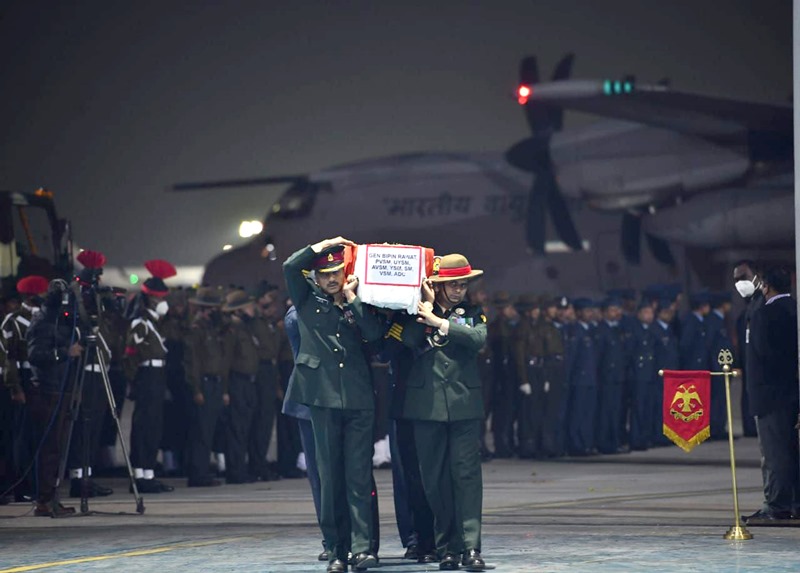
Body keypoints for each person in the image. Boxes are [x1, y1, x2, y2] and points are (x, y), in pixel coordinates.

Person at [283, 237, 386, 573]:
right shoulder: (306, 301)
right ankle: (337, 550)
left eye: (336, 272)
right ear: (315, 276)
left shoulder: (360, 303)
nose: (331, 278)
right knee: (330, 478)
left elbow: (374, 335)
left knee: (358, 476)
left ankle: (362, 548)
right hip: (324, 399)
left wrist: (353, 300)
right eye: (325, 273)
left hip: (358, 398)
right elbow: (289, 266)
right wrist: (324, 244)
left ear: (346, 272)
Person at [394, 253, 487, 571]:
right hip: (427, 407)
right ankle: (447, 547)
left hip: (463, 405)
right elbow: (407, 339)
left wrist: (441, 323)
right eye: (453, 284)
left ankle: (470, 546)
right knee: (434, 479)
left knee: (467, 477)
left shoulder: (471, 313)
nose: (459, 290)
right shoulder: (417, 312)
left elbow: (478, 338)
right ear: (438, 286)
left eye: (463, 284)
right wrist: (428, 308)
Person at [744, 266, 799, 522]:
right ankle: (794, 502)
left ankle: (776, 505)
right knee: (791, 451)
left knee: (774, 454)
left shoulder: (764, 314)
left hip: (769, 395)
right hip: (791, 392)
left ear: (766, 286)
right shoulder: (794, 309)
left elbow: (764, 355)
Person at [25, 279, 82, 516]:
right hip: (48, 390)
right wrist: (65, 353)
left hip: (61, 388)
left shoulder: (61, 321)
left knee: (58, 447)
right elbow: (35, 355)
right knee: (49, 447)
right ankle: (44, 500)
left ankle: (51, 497)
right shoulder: (43, 322)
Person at [124, 259, 176, 494]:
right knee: (143, 426)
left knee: (154, 425)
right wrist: (134, 382)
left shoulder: (155, 324)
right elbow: (130, 356)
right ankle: (139, 474)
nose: (162, 303)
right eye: (158, 299)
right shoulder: (140, 324)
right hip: (146, 376)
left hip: (157, 375)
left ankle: (149, 472)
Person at [183, 287, 228, 487]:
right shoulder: (197, 329)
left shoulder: (212, 328)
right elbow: (192, 361)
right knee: (202, 431)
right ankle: (197, 473)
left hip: (215, 384)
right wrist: (196, 389)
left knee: (209, 431)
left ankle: (202, 470)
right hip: (205, 384)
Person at [221, 289, 260, 484]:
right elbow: (226, 360)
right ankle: (235, 470)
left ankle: (241, 468)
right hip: (237, 382)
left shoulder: (245, 327)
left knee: (245, 428)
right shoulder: (233, 329)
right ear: (238, 310)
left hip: (248, 383)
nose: (252, 309)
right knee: (236, 428)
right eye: (248, 306)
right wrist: (225, 390)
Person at [733, 260, 762, 437]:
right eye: (737, 280)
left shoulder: (764, 304)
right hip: (748, 361)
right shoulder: (744, 314)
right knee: (748, 392)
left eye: (744, 277)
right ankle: (750, 427)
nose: (740, 283)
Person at [594, 297, 626, 454]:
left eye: (618, 310)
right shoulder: (601, 330)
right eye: (613, 310)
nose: (617, 313)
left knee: (615, 411)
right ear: (605, 312)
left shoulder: (618, 330)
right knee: (605, 412)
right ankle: (605, 443)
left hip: (617, 377)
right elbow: (599, 356)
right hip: (606, 378)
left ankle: (615, 441)